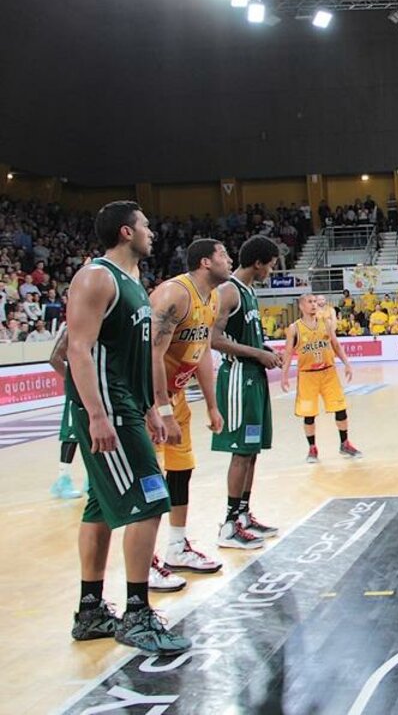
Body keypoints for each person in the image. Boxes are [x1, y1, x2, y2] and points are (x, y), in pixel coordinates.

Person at [67, 200, 191, 654]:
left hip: (126, 405)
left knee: (99, 508)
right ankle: (137, 614)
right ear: (125, 232)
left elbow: (130, 355)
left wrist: (150, 408)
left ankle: (91, 610)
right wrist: (96, 413)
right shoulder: (96, 276)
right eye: (145, 227)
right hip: (107, 409)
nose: (151, 233)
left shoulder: (132, 284)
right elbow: (74, 349)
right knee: (151, 499)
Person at [149, 238, 231, 582]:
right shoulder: (174, 294)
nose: (229, 259)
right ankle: (146, 561)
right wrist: (162, 409)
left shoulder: (211, 298)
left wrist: (212, 404)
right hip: (149, 402)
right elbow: (150, 354)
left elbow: (201, 353)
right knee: (149, 480)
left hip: (176, 397)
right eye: (223, 255)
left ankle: (177, 547)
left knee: (182, 470)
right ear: (205, 263)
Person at [210, 236, 285, 549]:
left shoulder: (249, 292)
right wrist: (256, 355)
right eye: (270, 264)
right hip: (239, 378)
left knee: (252, 451)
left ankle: (243, 515)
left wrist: (263, 349)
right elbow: (213, 338)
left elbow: (241, 336)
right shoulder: (228, 291)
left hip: (254, 378)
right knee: (241, 451)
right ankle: (228, 525)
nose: (271, 270)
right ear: (258, 262)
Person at [281, 293, 361, 463]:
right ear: (301, 306)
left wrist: (347, 363)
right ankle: (312, 448)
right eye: (310, 302)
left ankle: (345, 443)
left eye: (315, 302)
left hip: (328, 373)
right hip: (307, 376)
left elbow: (336, 345)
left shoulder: (326, 323)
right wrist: (284, 375)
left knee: (340, 408)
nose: (314, 304)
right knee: (308, 414)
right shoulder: (294, 328)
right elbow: (288, 353)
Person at [49, 326, 83, 499]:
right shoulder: (72, 327)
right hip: (77, 390)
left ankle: (92, 479)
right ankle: (62, 480)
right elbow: (54, 358)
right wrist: (72, 380)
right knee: (71, 435)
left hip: (93, 387)